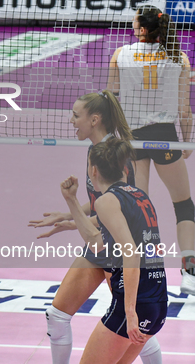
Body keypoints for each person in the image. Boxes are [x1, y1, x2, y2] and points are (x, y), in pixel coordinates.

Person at [28, 90, 162, 364]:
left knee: (133, 318)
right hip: (99, 243)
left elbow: (119, 208)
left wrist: (72, 217)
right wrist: (68, 216)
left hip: (117, 251)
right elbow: (100, 200)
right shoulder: (95, 151)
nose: (71, 120)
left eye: (76, 115)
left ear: (95, 119)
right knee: (57, 315)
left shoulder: (117, 155)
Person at [108, 5, 195, 295]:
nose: (131, 25)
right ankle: (190, 272)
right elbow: (185, 111)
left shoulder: (121, 55)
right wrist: (187, 142)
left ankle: (140, 271)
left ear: (143, 29)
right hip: (166, 137)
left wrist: (114, 138)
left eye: (134, 22)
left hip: (132, 137)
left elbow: (111, 101)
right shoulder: (178, 58)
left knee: (136, 208)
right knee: (183, 204)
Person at [60, 137, 167, 364]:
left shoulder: (107, 201)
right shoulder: (139, 196)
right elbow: (98, 244)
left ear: (93, 170)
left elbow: (131, 252)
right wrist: (71, 201)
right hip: (156, 303)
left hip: (134, 306)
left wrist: (129, 312)